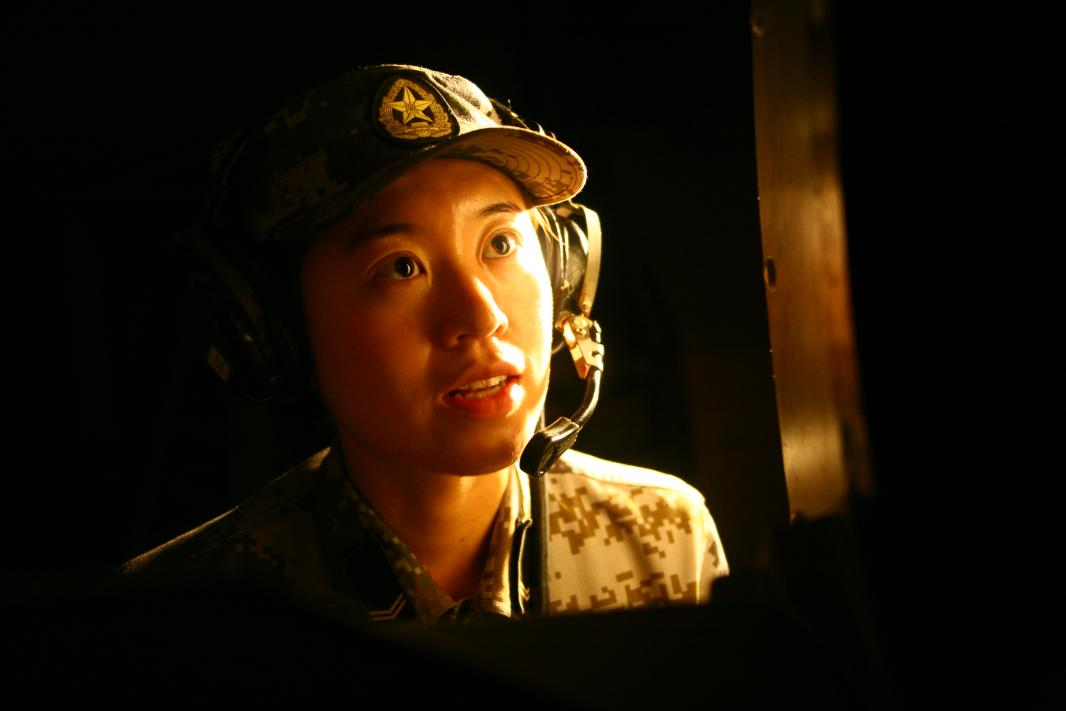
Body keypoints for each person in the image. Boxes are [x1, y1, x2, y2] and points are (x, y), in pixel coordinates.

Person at [120, 64, 728, 624]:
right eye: (401, 267)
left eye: (501, 244)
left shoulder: (664, 542)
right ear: (276, 330)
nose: (482, 316)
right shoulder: (178, 617)